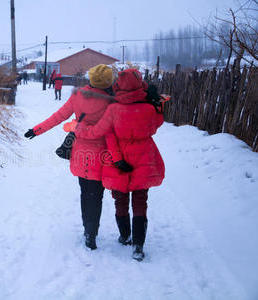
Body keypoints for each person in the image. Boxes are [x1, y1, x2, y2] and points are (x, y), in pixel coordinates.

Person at [64, 68, 165, 261]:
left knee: (120, 197)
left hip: (119, 158)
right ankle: (138, 245)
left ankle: (124, 235)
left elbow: (106, 134)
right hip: (144, 157)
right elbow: (156, 124)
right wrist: (156, 105)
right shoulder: (148, 108)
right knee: (140, 200)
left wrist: (117, 157)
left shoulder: (113, 108)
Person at [24, 64, 116, 250]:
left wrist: (36, 130)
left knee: (84, 192)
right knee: (96, 196)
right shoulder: (113, 102)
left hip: (80, 153)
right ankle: (92, 232)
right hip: (101, 154)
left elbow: (58, 117)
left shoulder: (78, 95)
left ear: (91, 79)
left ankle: (87, 230)